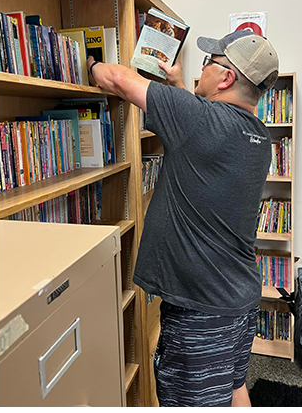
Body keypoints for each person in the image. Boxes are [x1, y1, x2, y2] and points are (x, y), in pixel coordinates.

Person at [87, 29, 278, 407]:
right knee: (234, 387)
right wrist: (178, 88)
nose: (200, 69)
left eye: (209, 62)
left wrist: (89, 62)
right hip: (239, 299)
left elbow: (119, 80)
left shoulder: (196, 119)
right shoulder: (261, 138)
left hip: (200, 311)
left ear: (226, 78)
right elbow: (209, 133)